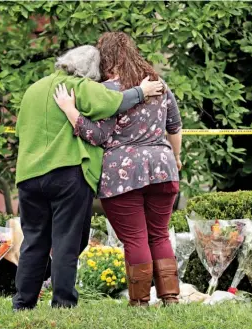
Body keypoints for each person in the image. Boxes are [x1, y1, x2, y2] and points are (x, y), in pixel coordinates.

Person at [13, 45, 164, 310]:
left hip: (29, 176)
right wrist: (143, 91)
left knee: (34, 239)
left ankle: (23, 303)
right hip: (67, 174)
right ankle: (62, 302)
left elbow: (20, 130)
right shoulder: (80, 86)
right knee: (67, 241)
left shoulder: (33, 90)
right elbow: (115, 101)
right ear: (90, 71)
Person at [53, 32, 183, 307]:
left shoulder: (108, 91)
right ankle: (170, 297)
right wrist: (177, 157)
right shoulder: (158, 84)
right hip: (163, 167)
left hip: (122, 174)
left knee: (135, 237)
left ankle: (139, 301)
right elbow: (175, 125)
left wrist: (70, 110)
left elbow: (96, 135)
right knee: (159, 233)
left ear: (106, 59)